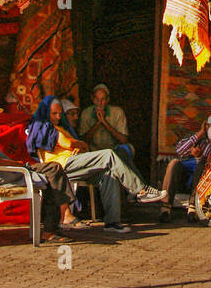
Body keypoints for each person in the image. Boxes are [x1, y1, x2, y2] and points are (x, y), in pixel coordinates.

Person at [27, 96, 167, 234]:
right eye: (54, 113)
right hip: (62, 166)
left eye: (59, 113)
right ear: (45, 112)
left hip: (76, 162)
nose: (58, 116)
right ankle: (140, 190)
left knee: (108, 174)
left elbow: (79, 146)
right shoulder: (44, 127)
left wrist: (80, 145)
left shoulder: (61, 127)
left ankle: (112, 222)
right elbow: (70, 144)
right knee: (108, 154)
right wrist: (79, 144)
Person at [0, 95, 72, 242]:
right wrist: (17, 165)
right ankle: (59, 219)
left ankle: (58, 219)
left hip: (8, 172)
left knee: (53, 170)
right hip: (4, 175)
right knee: (54, 171)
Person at [158, 115, 211, 223]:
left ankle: (193, 206)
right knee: (174, 163)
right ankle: (166, 206)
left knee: (203, 163)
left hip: (199, 180)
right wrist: (200, 133)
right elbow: (180, 150)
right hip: (182, 178)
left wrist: (199, 157)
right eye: (210, 126)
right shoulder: (194, 138)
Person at [78, 83, 134, 163]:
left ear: (107, 100)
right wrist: (98, 123)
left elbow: (124, 140)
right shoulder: (86, 113)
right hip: (93, 153)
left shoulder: (118, 112)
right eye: (96, 99)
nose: (99, 102)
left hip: (113, 151)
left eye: (103, 99)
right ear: (92, 99)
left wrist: (104, 122)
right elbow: (83, 141)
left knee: (128, 148)